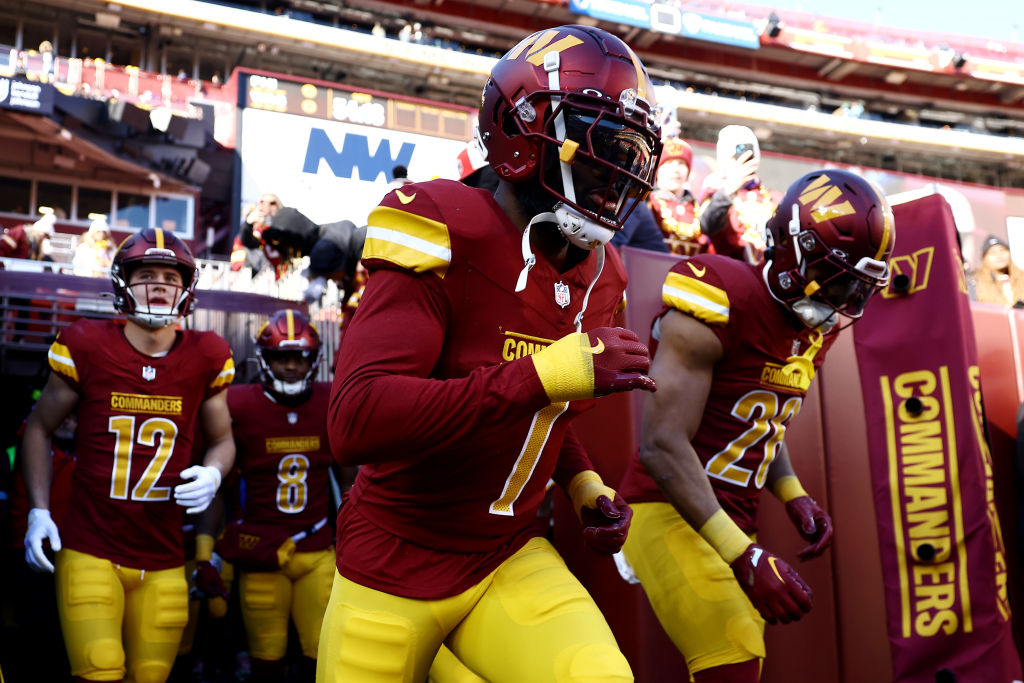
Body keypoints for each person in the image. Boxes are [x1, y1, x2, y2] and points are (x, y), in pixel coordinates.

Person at [318, 24, 663, 682]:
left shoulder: (605, 273)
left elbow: (542, 413)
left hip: (505, 554)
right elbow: (357, 420)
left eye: (628, 151)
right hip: (393, 558)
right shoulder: (440, 222)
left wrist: (582, 483)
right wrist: (546, 372)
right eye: (594, 147)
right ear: (519, 134)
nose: (613, 173)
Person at [617, 169, 896, 682]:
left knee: (744, 658)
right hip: (667, 508)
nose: (846, 298)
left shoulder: (815, 325)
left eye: (859, 285)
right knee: (735, 656)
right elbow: (661, 445)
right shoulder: (722, 294)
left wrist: (793, 494)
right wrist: (742, 555)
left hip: (733, 519)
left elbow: (761, 418)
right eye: (838, 278)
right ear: (794, 251)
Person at [22, 227, 236, 683]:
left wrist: (214, 473)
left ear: (187, 288)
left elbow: (223, 440)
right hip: (91, 547)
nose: (159, 284)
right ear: (122, 282)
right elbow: (38, 428)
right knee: (99, 669)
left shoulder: (208, 355)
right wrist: (39, 511)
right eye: (146, 275)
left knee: (151, 676)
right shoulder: (86, 343)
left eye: (170, 276)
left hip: (164, 555)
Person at [208, 309, 337, 683]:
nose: (292, 366)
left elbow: (347, 480)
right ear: (265, 359)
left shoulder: (329, 399)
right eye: (283, 357)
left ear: (313, 360)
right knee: (267, 656)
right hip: (261, 549)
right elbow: (220, 478)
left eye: (300, 357)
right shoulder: (238, 402)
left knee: (322, 653)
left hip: (317, 546)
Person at [698, 125, 781, 264]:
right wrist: (730, 189)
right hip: (726, 271)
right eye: (735, 156)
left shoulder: (773, 198)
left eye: (750, 156)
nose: (743, 161)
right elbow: (707, 226)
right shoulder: (715, 190)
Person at [647, 137, 705, 256]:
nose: (675, 170)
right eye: (668, 163)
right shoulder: (647, 203)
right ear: (657, 170)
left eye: (681, 163)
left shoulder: (699, 208)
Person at [970, 234, 1024, 307]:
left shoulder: (1021, 276)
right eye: (992, 252)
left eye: (1002, 250)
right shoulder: (975, 282)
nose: (999, 255)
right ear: (984, 258)